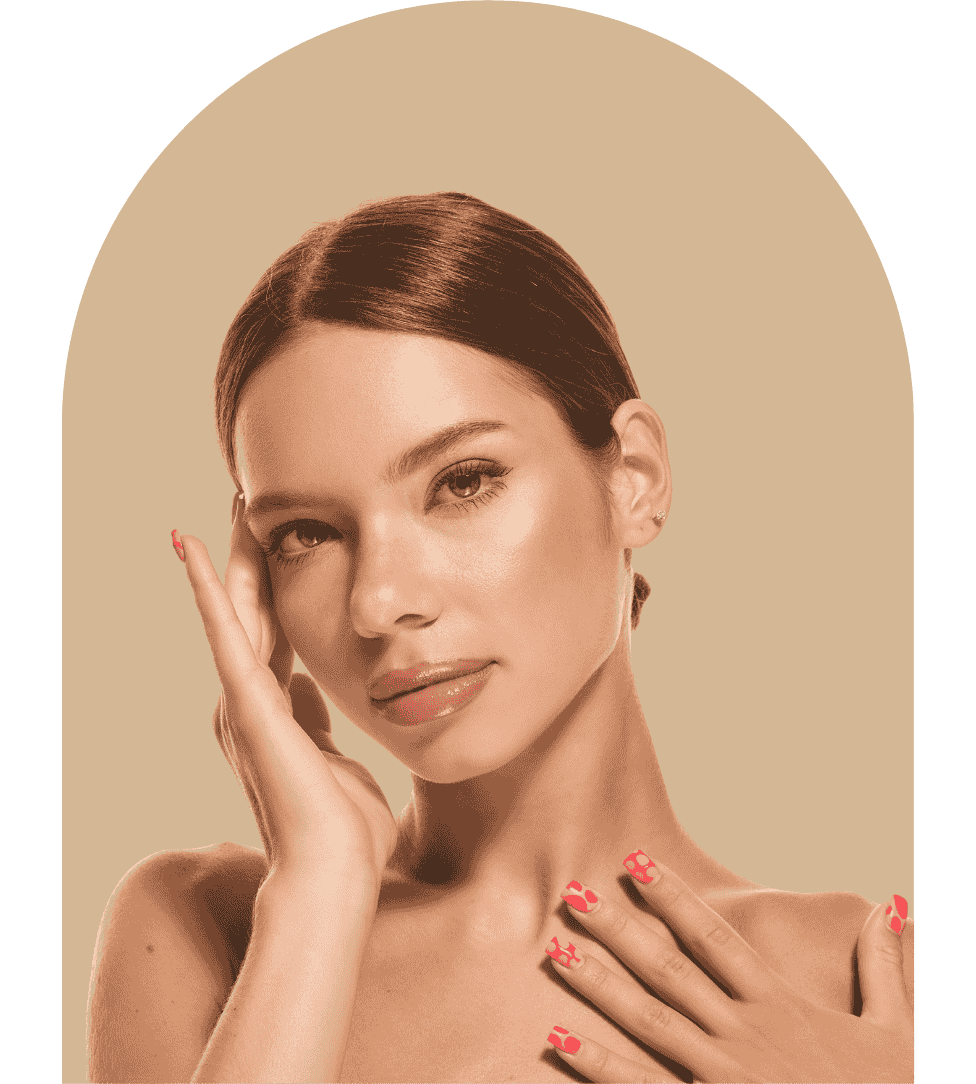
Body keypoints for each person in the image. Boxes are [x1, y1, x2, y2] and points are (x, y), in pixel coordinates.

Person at [87, 193, 914, 1084]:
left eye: (464, 481)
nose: (378, 600)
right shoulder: (200, 934)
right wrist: (320, 891)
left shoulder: (872, 986)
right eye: (307, 534)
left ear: (633, 478)